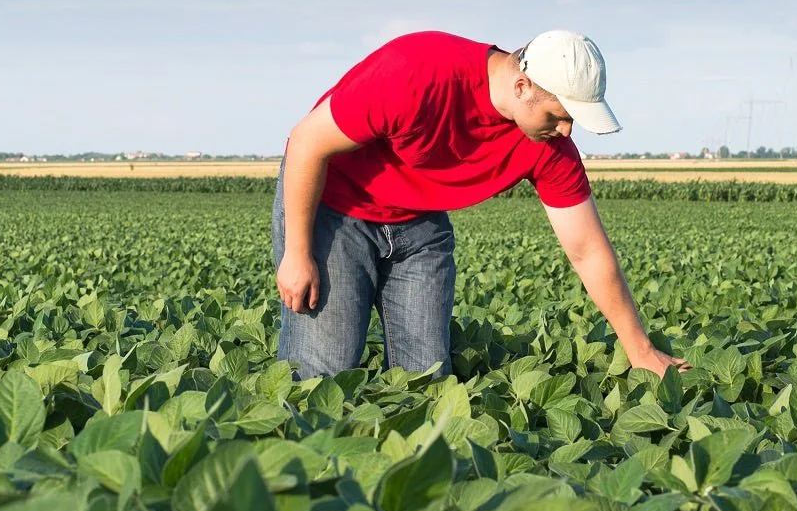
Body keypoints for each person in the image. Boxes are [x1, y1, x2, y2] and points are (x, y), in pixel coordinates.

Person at [273, 29, 689, 380]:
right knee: (322, 376)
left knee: (427, 378)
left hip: (418, 223)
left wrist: (640, 350)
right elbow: (306, 143)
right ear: (522, 87)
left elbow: (588, 251)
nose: (565, 129)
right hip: (334, 207)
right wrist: (297, 252)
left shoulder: (548, 146)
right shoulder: (416, 72)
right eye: (558, 115)